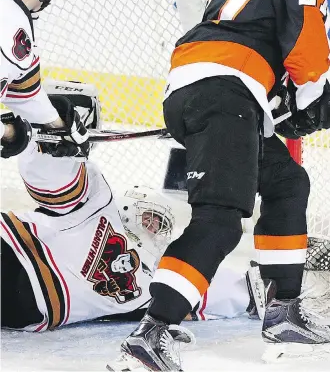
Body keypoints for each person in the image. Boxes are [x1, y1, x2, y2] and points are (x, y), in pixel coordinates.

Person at [112, 0, 330, 371]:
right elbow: (307, 47)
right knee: (220, 221)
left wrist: (275, 106)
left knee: (286, 182)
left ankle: (282, 310)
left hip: (196, 87)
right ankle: (153, 331)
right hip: (226, 94)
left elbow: (246, 35)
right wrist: (313, 101)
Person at [0, 80, 256, 331]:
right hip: (11, 256)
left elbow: (217, 289)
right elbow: (51, 177)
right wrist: (53, 132)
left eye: (156, 223)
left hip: (18, 310)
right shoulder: (95, 202)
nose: (153, 228)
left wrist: (267, 282)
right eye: (148, 219)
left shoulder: (153, 286)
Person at [0, 0, 88, 160]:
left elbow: (22, 92)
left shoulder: (11, 10)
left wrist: (59, 125)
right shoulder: (9, 31)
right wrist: (9, 133)